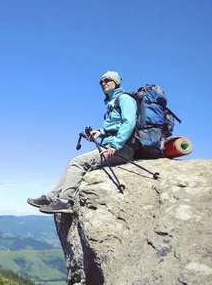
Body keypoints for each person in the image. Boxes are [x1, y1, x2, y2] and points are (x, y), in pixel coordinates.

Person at [27, 71, 137, 214]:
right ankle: (51, 197)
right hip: (111, 145)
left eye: (107, 80)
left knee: (78, 163)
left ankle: (66, 201)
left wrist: (116, 145)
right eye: (101, 82)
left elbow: (129, 123)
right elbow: (116, 125)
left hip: (122, 148)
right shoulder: (112, 102)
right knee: (72, 163)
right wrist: (101, 132)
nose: (103, 83)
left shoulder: (125, 99)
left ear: (115, 82)